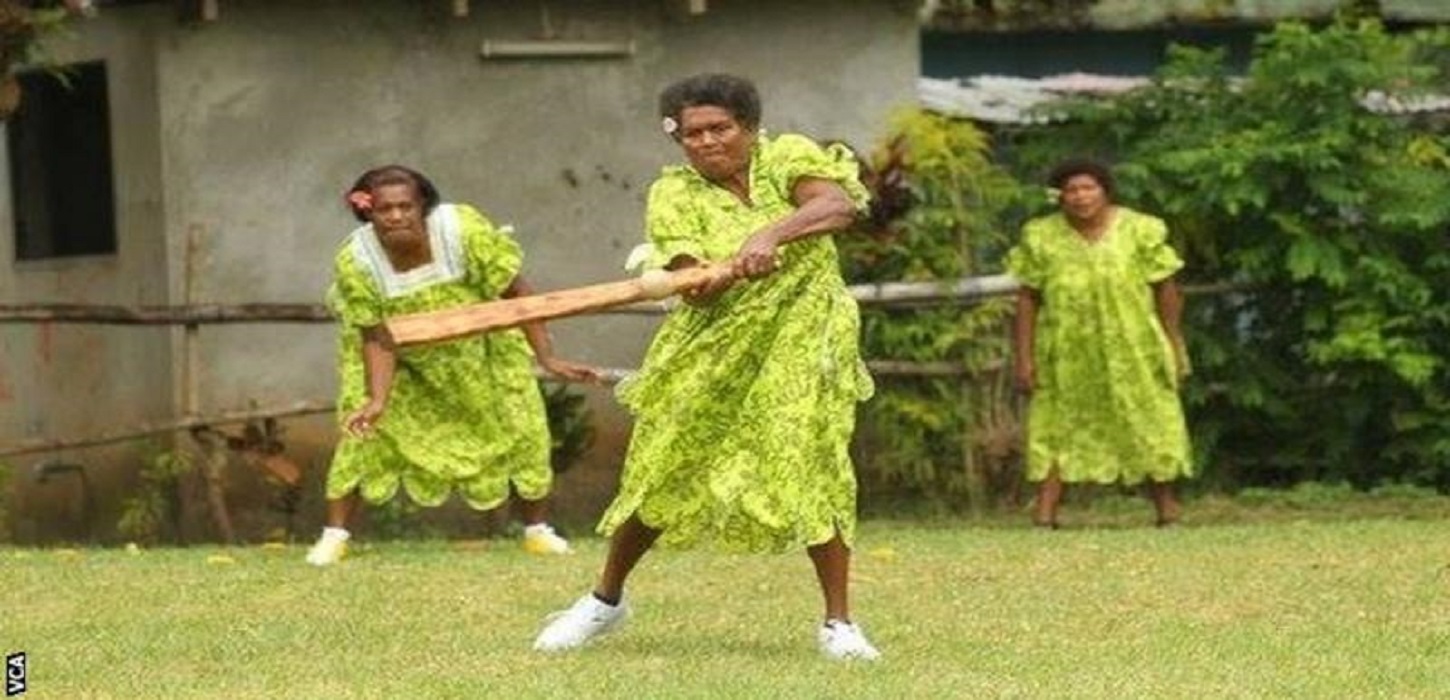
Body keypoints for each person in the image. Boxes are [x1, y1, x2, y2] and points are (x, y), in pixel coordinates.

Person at [532, 74, 881, 661]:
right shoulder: (673, 193)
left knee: (816, 461)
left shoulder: (788, 155)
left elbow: (836, 206)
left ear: (748, 127)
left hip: (804, 334)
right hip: (711, 345)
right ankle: (605, 601)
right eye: (691, 133)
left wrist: (771, 233)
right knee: (665, 464)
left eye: (720, 128)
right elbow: (689, 281)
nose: (706, 142)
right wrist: (708, 276)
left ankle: (839, 625)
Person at [305, 165, 599, 566]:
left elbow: (517, 293)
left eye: (405, 206)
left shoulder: (463, 231)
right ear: (367, 212)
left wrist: (547, 357)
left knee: (523, 427)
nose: (395, 216)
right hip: (398, 360)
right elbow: (375, 335)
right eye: (384, 209)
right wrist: (376, 399)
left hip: (483, 351)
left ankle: (537, 532)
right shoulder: (357, 261)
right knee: (363, 431)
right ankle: (335, 536)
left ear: (422, 204)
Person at [1005, 158, 1192, 529]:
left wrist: (1173, 340)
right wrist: (1024, 358)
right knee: (1057, 425)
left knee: (1149, 418)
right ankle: (1045, 514)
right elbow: (1028, 299)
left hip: (1133, 347)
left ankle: (1167, 509)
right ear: (1060, 196)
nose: (1080, 197)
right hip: (1067, 351)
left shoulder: (1141, 229)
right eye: (1071, 190)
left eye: (1088, 188)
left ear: (1105, 191)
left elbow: (1166, 288)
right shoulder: (1040, 235)